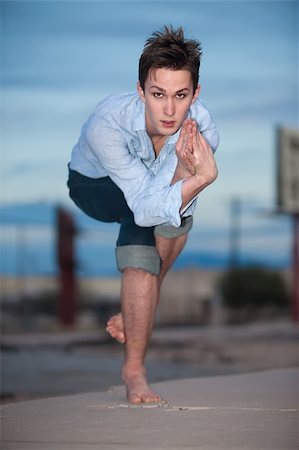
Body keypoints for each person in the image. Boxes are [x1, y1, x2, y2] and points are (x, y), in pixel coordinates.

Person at [67, 25, 219, 404]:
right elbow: (146, 207)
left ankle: (135, 340)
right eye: (158, 95)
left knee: (175, 221)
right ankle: (134, 372)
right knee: (144, 222)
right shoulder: (109, 123)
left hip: (146, 193)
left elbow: (171, 211)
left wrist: (187, 177)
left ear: (195, 94)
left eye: (180, 95)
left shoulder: (203, 130)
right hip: (94, 187)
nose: (169, 110)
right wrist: (199, 178)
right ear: (140, 91)